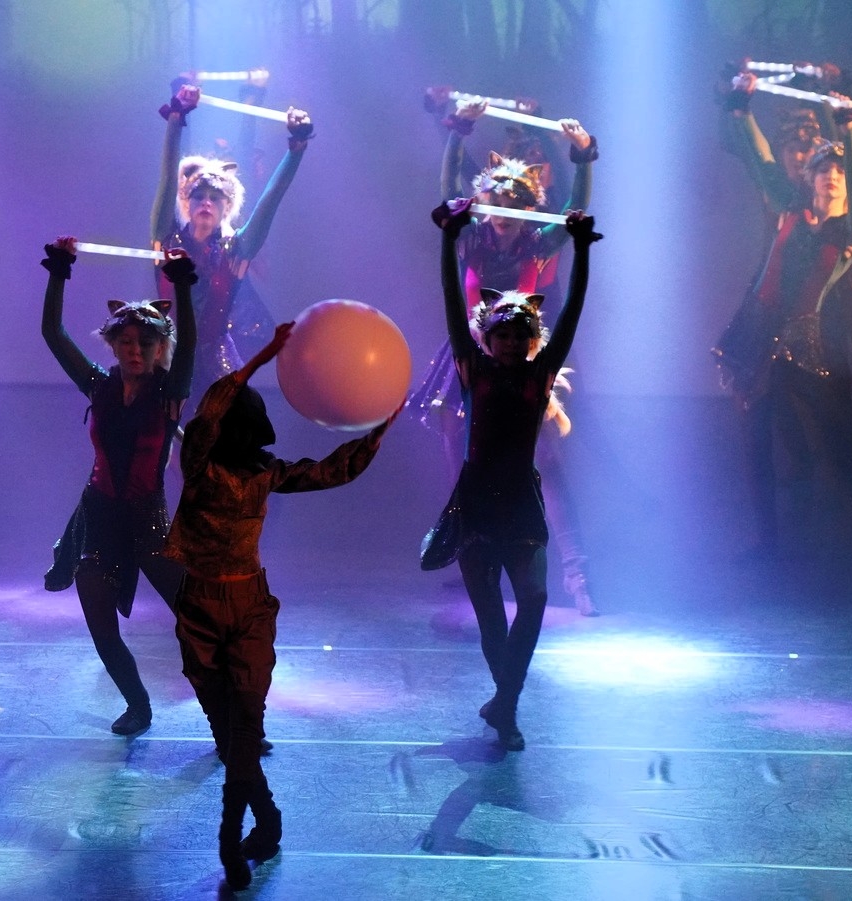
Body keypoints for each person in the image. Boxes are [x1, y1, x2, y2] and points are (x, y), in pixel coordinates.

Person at [163, 325, 395, 890]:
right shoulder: (199, 466)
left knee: (244, 726)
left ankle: (230, 839)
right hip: (202, 609)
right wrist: (262, 355)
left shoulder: (264, 474)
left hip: (247, 606)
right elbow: (208, 417)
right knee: (229, 732)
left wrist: (381, 423)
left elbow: (335, 470)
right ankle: (266, 822)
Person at [408, 96, 601, 615]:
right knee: (467, 469)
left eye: (515, 196)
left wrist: (582, 154)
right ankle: (474, 558)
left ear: (527, 205)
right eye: (496, 195)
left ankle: (577, 574)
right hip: (471, 367)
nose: (504, 204)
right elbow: (449, 189)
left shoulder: (537, 242)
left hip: (522, 366)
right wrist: (459, 130)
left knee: (545, 469)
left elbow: (575, 211)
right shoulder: (472, 240)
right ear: (487, 200)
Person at [421, 200, 600, 753]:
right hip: (476, 504)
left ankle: (505, 700)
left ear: (532, 341)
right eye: (503, 334)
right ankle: (508, 708)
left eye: (522, 336)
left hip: (521, 502)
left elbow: (571, 313)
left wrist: (581, 251)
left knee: (536, 598)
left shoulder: (539, 375)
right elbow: (452, 303)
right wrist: (449, 239)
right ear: (489, 337)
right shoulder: (471, 370)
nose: (512, 342)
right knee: (491, 621)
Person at [713, 72, 852, 556]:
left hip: (803, 345)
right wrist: (742, 107)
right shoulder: (789, 208)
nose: (831, 176)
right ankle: (767, 541)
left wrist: (848, 125)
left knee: (835, 439)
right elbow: (763, 159)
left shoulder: (850, 231)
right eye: (823, 169)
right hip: (758, 335)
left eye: (840, 171)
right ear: (810, 178)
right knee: (755, 443)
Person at [40, 237, 199, 736]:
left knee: (201, 622)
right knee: (100, 625)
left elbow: (191, 345)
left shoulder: (170, 392)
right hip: (98, 518)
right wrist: (60, 269)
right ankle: (138, 706)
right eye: (126, 341)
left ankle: (237, 718)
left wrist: (181, 284)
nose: (134, 350)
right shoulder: (98, 385)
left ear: (160, 348)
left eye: (145, 343)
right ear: (112, 344)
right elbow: (52, 333)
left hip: (148, 521)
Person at [149, 83, 312, 403]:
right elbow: (167, 179)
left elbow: (271, 199)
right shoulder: (166, 238)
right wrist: (176, 119)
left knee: (226, 425)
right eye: (199, 195)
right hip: (166, 358)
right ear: (186, 202)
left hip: (217, 364)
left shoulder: (236, 248)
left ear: (227, 207)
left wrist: (297, 148)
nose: (206, 202)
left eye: (215, 197)